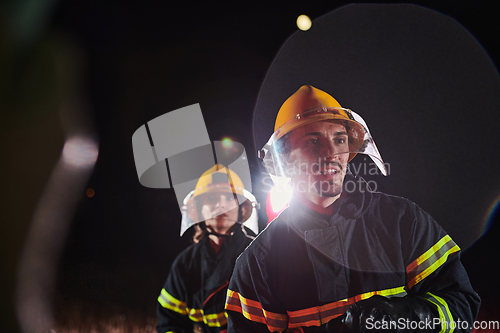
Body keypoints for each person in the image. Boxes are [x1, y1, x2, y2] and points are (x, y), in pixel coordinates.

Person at [225, 85, 480, 332]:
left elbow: (462, 303)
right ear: (285, 158)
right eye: (313, 141)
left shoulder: (401, 221)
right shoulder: (259, 263)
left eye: (340, 139)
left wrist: (409, 317)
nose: (331, 153)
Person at [156, 164, 258, 333]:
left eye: (228, 198)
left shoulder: (258, 256)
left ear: (242, 209)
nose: (221, 205)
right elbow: (170, 321)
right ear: (198, 210)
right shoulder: (186, 263)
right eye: (211, 199)